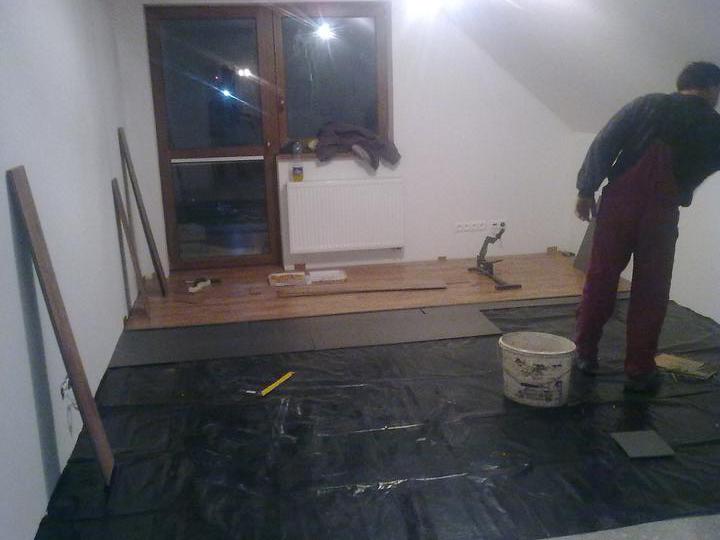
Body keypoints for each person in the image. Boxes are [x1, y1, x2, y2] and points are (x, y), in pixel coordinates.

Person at [574, 61, 720, 392]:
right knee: (651, 291)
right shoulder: (714, 125)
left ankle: (584, 354)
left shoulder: (647, 104)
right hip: (662, 216)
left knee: (600, 279)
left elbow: (605, 142)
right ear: (712, 88)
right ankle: (639, 369)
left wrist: (586, 189)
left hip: (618, 206)